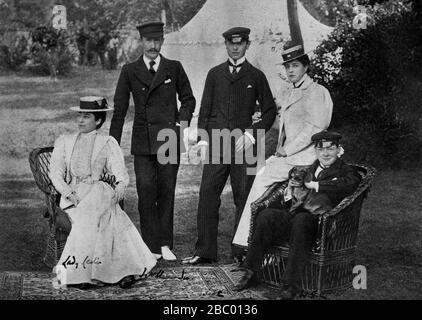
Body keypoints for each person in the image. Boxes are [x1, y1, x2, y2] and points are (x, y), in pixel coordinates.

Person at [182, 27, 277, 265]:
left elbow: (269, 111)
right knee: (207, 196)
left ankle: (241, 252)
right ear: (225, 45)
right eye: (231, 44)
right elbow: (205, 111)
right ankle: (205, 251)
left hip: (244, 148)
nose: (236, 48)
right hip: (216, 144)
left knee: (243, 198)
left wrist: (252, 135)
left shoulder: (256, 76)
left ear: (247, 45)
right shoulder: (215, 74)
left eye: (240, 43)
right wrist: (203, 140)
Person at [233, 130, 361, 299]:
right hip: (297, 216)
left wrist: (315, 185)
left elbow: (351, 184)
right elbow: (294, 197)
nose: (326, 153)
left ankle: (291, 285)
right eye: (321, 149)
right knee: (266, 215)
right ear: (315, 151)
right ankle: (251, 272)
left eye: (330, 148)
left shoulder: (346, 171)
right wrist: (289, 192)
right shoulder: (309, 168)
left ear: (339, 149)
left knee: (301, 220)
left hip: (323, 222)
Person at [232, 43, 333, 250]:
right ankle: (252, 240)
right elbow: (284, 126)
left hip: (306, 157)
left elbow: (315, 128)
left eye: (295, 65)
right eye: (287, 67)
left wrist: (287, 150)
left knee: (261, 179)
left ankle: (246, 241)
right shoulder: (290, 92)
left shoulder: (316, 92)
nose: (291, 71)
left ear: (306, 67)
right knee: (260, 175)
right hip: (290, 156)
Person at [49, 96, 157, 289]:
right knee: (108, 217)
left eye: (86, 117)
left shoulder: (108, 142)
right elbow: (55, 174)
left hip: (99, 191)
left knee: (101, 206)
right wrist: (68, 193)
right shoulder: (64, 141)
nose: (80, 120)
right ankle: (124, 271)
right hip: (74, 195)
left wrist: (119, 190)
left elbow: (121, 175)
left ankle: (85, 274)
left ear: (98, 120)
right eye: (79, 116)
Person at [110, 22, 195, 261]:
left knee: (166, 191)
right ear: (141, 41)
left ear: (163, 41)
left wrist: (181, 123)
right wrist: (111, 145)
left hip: (169, 140)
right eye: (149, 40)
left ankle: (166, 243)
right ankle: (151, 247)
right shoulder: (129, 70)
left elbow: (188, 99)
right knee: (146, 191)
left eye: (158, 40)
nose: (153, 45)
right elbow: (119, 110)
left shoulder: (174, 68)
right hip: (143, 142)